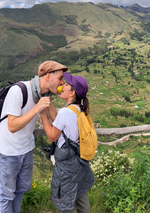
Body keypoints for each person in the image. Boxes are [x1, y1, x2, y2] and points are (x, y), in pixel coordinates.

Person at [0, 60, 68, 213]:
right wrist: (37, 109)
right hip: (7, 152)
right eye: (60, 78)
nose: (62, 82)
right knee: (7, 195)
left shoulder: (44, 95)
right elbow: (12, 126)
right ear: (48, 76)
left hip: (26, 150)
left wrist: (73, 111)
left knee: (22, 189)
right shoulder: (18, 91)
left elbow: (56, 118)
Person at [40, 72, 95, 213]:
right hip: (78, 163)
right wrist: (49, 102)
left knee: (65, 201)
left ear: (72, 92)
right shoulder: (78, 110)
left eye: (66, 84)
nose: (62, 85)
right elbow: (59, 120)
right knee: (80, 194)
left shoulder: (66, 112)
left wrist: (42, 115)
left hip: (67, 167)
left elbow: (53, 136)